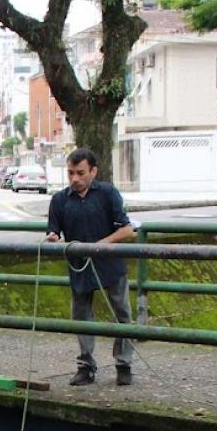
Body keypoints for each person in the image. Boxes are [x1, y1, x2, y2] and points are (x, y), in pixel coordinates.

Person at [45, 147, 137, 386]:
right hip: (79, 266)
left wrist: (100, 245)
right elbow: (53, 231)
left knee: (122, 314)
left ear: (93, 171)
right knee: (81, 316)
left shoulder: (108, 193)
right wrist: (53, 239)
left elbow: (127, 229)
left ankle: (123, 364)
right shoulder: (59, 200)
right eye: (71, 173)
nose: (75, 179)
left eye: (81, 173)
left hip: (110, 264)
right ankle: (86, 366)